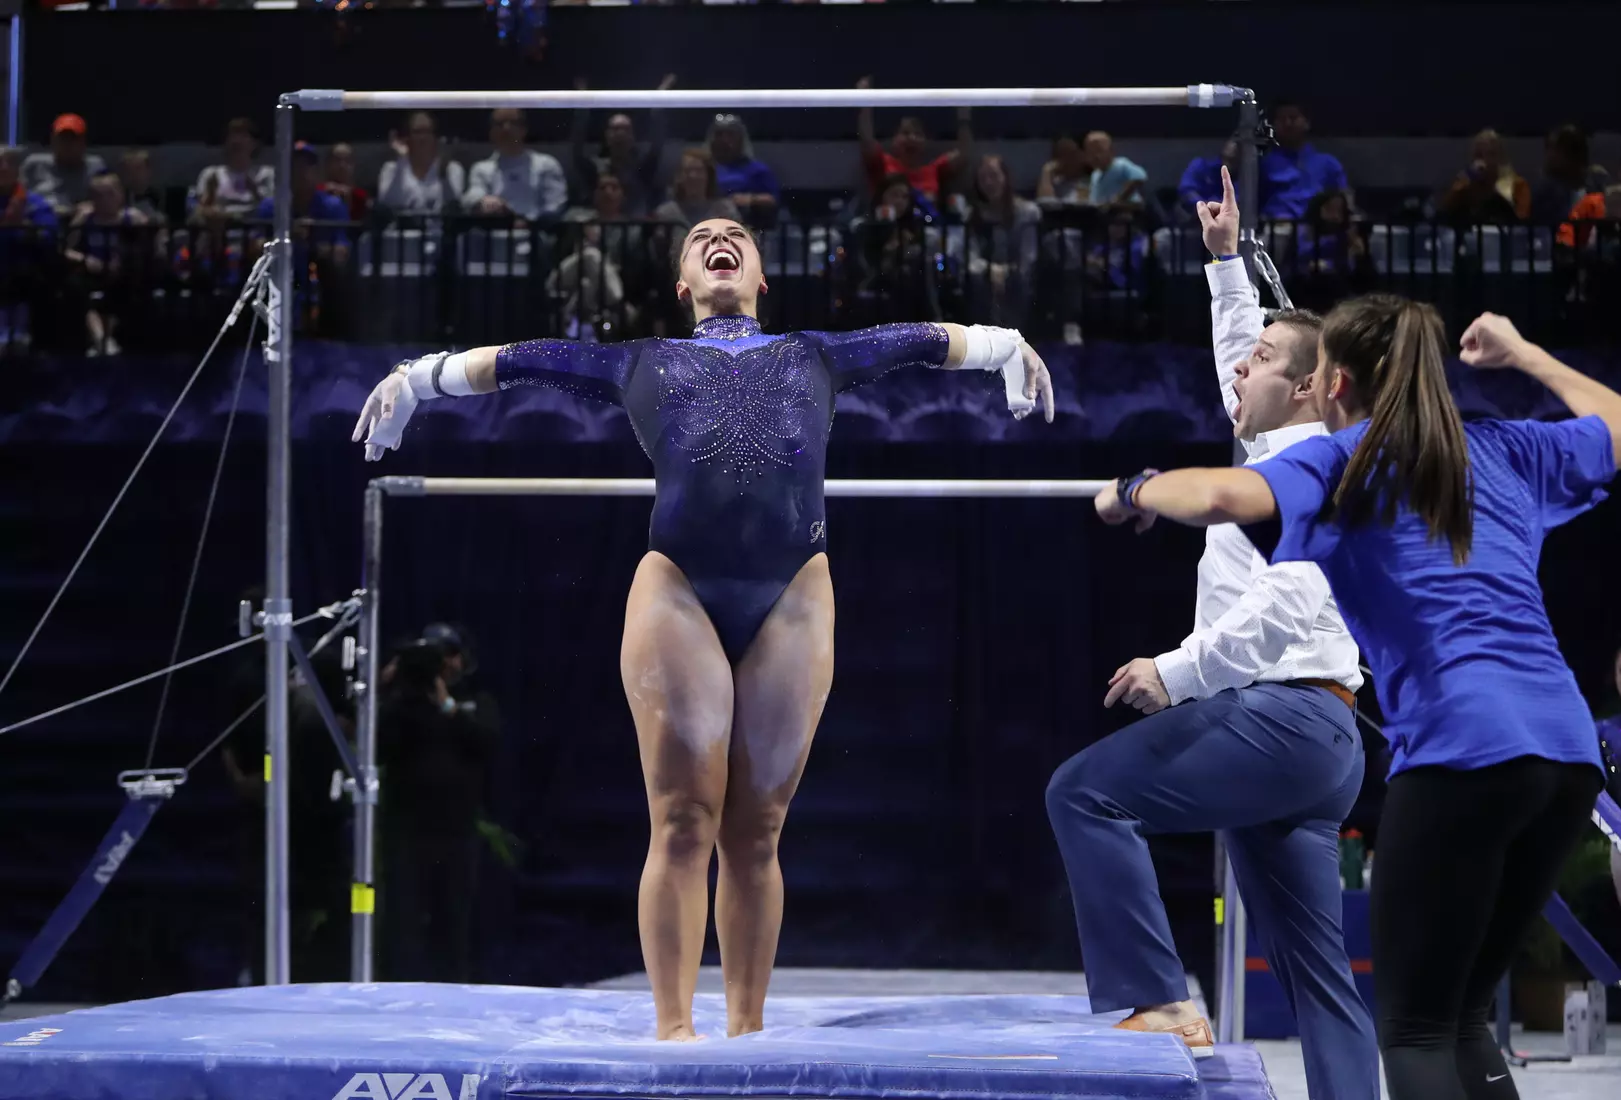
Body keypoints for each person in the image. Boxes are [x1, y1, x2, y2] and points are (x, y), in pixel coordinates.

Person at [353, 216, 1055, 1040]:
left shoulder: (815, 353)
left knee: (755, 829)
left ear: (762, 278)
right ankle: (673, 1030)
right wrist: (419, 376)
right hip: (678, 586)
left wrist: (1005, 344)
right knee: (684, 818)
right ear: (683, 285)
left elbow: (918, 340)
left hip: (792, 588)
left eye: (738, 235)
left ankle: (746, 1034)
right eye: (700, 238)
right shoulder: (639, 360)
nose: (720, 238)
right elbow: (520, 361)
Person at [1093, 299, 1619, 1100]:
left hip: (1459, 754)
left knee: (1412, 1028)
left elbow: (1219, 497)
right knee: (1464, 1014)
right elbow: (1615, 423)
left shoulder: (1342, 461)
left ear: (1331, 382)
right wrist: (1523, 353)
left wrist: (1131, 490)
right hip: (1567, 756)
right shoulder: (1505, 447)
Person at [1046, 166, 1378, 1098]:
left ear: (1316, 388)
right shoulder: (1284, 446)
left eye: (1264, 362)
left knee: (1083, 795)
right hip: (1316, 736)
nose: (1239, 366)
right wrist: (1225, 264)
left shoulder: (1310, 464)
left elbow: (1286, 609)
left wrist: (1177, 672)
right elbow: (1252, 353)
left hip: (1285, 716)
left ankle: (1157, 998)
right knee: (1321, 984)